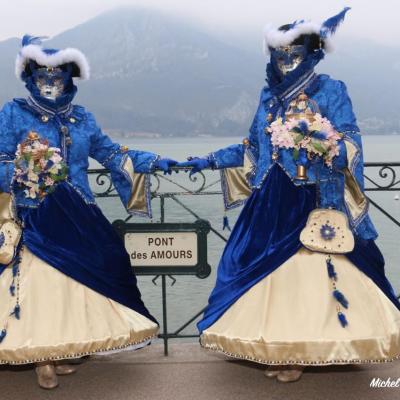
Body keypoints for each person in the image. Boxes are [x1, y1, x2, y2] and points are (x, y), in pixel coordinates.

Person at [179, 8, 400, 383]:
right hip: (272, 198)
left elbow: (350, 138)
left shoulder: (332, 89)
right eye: (279, 53)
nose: (286, 61)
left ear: (312, 52)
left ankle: (307, 351)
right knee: (271, 275)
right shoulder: (269, 95)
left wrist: (324, 143)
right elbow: (253, 148)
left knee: (312, 274)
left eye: (294, 52)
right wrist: (206, 160)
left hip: (318, 195)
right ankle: (280, 348)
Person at [0, 36, 177, 389]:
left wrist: (157, 162)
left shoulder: (83, 118)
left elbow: (111, 154)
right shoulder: (13, 113)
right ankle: (43, 358)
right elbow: (2, 159)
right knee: (43, 287)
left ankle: (65, 349)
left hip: (79, 213)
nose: (50, 83)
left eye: (57, 77)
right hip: (35, 213)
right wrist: (25, 170)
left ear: (70, 78)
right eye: (42, 76)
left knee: (83, 280)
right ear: (31, 77)